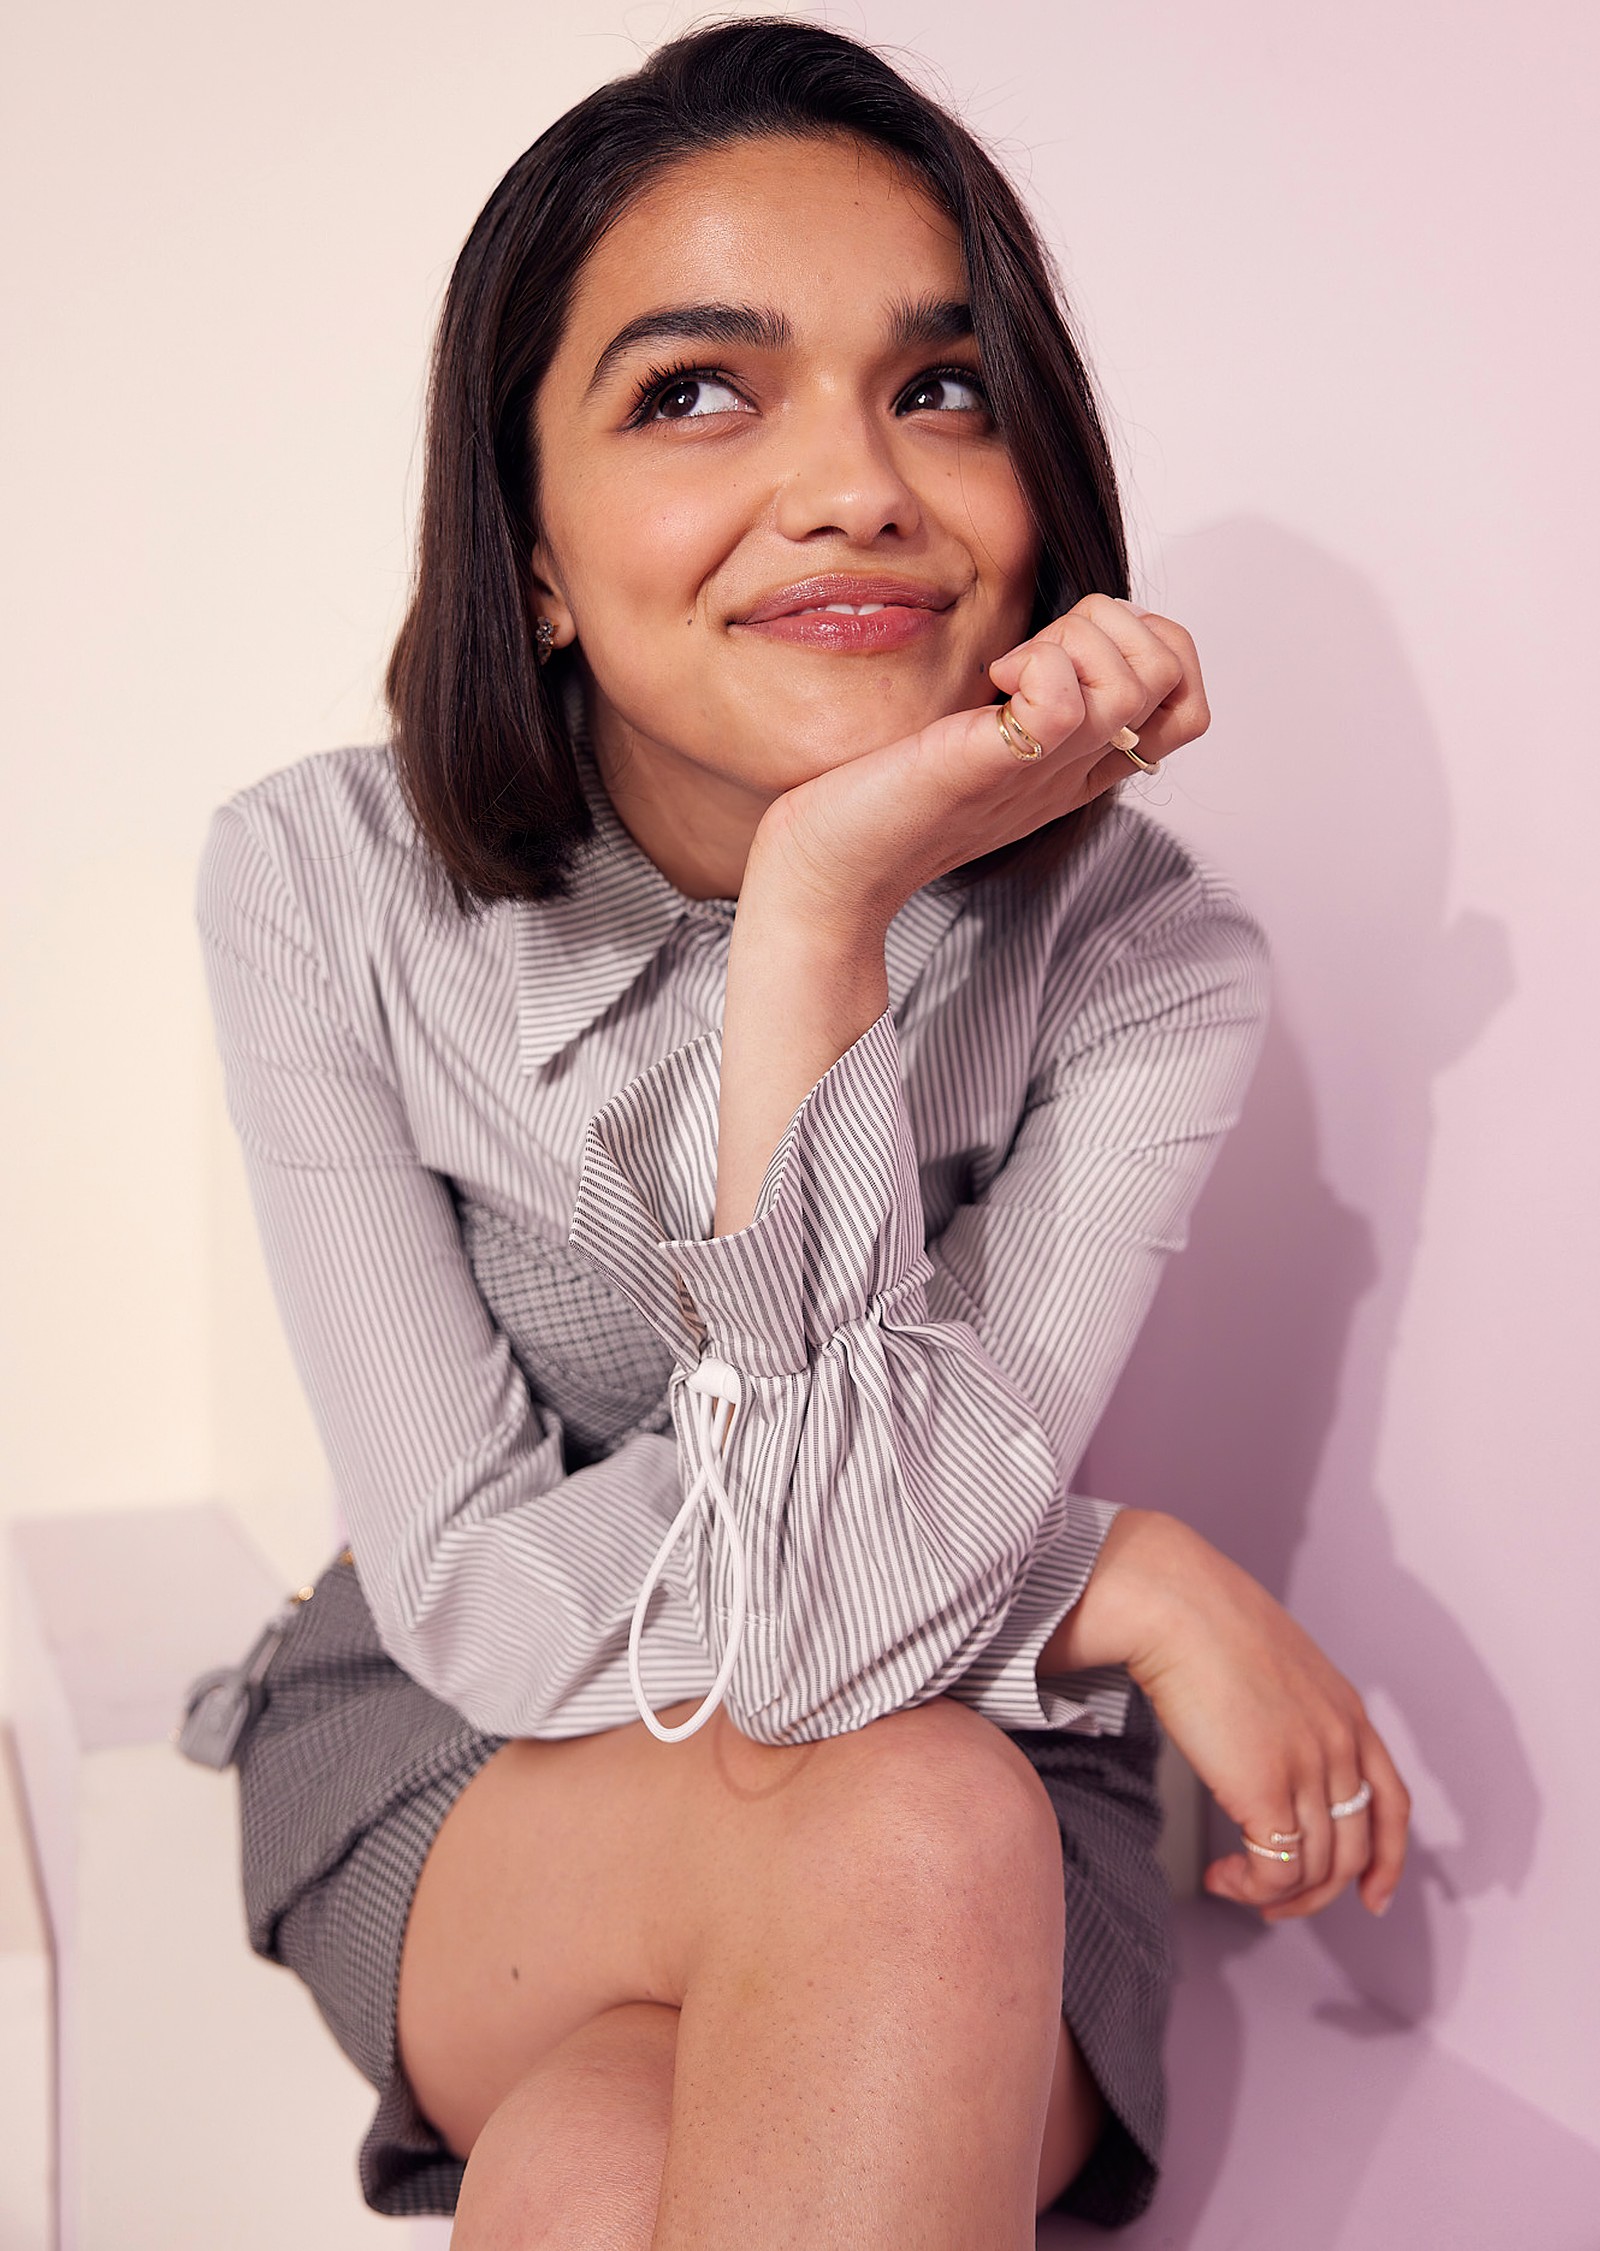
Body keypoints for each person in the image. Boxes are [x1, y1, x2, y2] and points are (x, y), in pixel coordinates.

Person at [184, 19, 1410, 2245]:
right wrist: (1091, 1571)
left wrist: (817, 911)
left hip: (934, 1764)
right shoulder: (319, 884)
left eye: (938, 388)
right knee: (912, 1809)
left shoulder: (1146, 962)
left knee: (598, 2154)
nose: (855, 483)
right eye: (694, 390)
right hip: (484, 1747)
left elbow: (848, 1635)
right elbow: (472, 1591)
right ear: (529, 543)